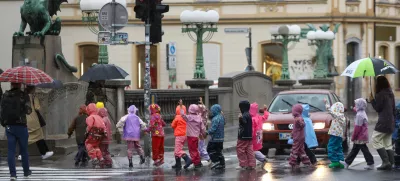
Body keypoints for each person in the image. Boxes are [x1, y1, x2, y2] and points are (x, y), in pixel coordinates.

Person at [1, 83, 32, 180]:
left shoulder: (5, 95)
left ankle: (13, 174)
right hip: (21, 126)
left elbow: (2, 110)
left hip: (9, 126)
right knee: (24, 151)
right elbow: (28, 111)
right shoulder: (23, 95)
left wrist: (4, 123)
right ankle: (26, 172)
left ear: (11, 84)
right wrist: (27, 96)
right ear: (20, 85)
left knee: (11, 151)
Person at [370, 76, 396, 170]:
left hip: (383, 121)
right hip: (391, 121)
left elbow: (378, 108)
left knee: (375, 139)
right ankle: (391, 162)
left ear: (378, 84)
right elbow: (394, 108)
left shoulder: (380, 94)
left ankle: (385, 162)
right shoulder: (390, 93)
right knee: (387, 143)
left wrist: (372, 100)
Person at [343, 98, 374, 170]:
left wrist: (353, 137)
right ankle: (347, 162)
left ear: (359, 105)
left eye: (356, 104)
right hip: (362, 135)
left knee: (362, 150)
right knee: (356, 149)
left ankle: (370, 163)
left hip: (360, 136)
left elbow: (357, 128)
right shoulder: (362, 113)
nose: (355, 105)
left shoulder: (359, 115)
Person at [24, 86, 53, 160]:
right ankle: (44, 153)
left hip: (25, 120)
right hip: (34, 120)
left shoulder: (22, 97)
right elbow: (37, 108)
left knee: (25, 138)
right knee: (39, 136)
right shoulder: (34, 97)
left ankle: (21, 154)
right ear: (32, 89)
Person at [288, 104, 311, 169]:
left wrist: (300, 122)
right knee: (301, 150)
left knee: (294, 150)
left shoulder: (298, 118)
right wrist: (292, 134)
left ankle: (292, 162)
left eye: (293, 111)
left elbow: (303, 125)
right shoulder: (297, 118)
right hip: (299, 137)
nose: (292, 112)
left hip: (298, 138)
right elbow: (295, 129)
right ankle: (306, 162)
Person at [183, 104, 205, 168]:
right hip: (196, 136)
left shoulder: (188, 117)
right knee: (195, 149)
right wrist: (203, 133)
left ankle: (197, 163)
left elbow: (183, 116)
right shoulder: (199, 117)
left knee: (192, 150)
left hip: (190, 136)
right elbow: (202, 128)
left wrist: (181, 109)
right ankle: (198, 161)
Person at [85, 103, 107, 168]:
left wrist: (86, 132)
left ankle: (94, 158)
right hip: (99, 135)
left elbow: (90, 126)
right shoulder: (99, 117)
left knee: (89, 144)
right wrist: (104, 132)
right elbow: (103, 126)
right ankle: (100, 157)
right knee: (96, 146)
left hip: (93, 134)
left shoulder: (90, 117)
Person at [171, 102, 192, 170]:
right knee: (177, 150)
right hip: (185, 135)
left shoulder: (177, 117)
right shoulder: (186, 117)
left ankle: (187, 159)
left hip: (179, 135)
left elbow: (172, 125)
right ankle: (178, 164)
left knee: (178, 150)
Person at [325, 101, 346, 168]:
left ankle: (334, 161)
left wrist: (326, 104)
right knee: (339, 147)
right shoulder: (342, 116)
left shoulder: (337, 115)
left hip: (334, 134)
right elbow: (344, 127)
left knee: (331, 146)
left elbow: (330, 111)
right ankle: (341, 161)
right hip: (339, 134)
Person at [237, 100, 256, 170]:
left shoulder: (244, 115)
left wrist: (240, 118)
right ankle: (252, 164)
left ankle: (243, 164)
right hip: (249, 136)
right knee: (249, 149)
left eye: (240, 107)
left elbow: (244, 122)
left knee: (240, 149)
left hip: (243, 136)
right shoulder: (249, 114)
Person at [249, 102, 269, 169]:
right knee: (253, 149)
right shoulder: (258, 117)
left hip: (254, 137)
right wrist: (265, 111)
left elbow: (252, 129)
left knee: (252, 150)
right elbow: (265, 117)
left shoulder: (252, 119)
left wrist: (250, 136)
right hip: (259, 136)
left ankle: (262, 159)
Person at [206, 104, 226, 169]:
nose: (212, 112)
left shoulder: (215, 118)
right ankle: (222, 163)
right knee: (219, 151)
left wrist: (207, 132)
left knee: (210, 149)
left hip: (215, 138)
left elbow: (213, 129)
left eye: (212, 110)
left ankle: (216, 161)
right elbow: (224, 123)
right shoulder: (221, 117)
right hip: (221, 138)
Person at [198, 97, 210, 162]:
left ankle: (207, 158)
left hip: (199, 132)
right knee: (201, 145)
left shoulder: (199, 117)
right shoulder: (205, 115)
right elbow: (205, 110)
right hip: (203, 131)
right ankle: (199, 158)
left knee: (201, 146)